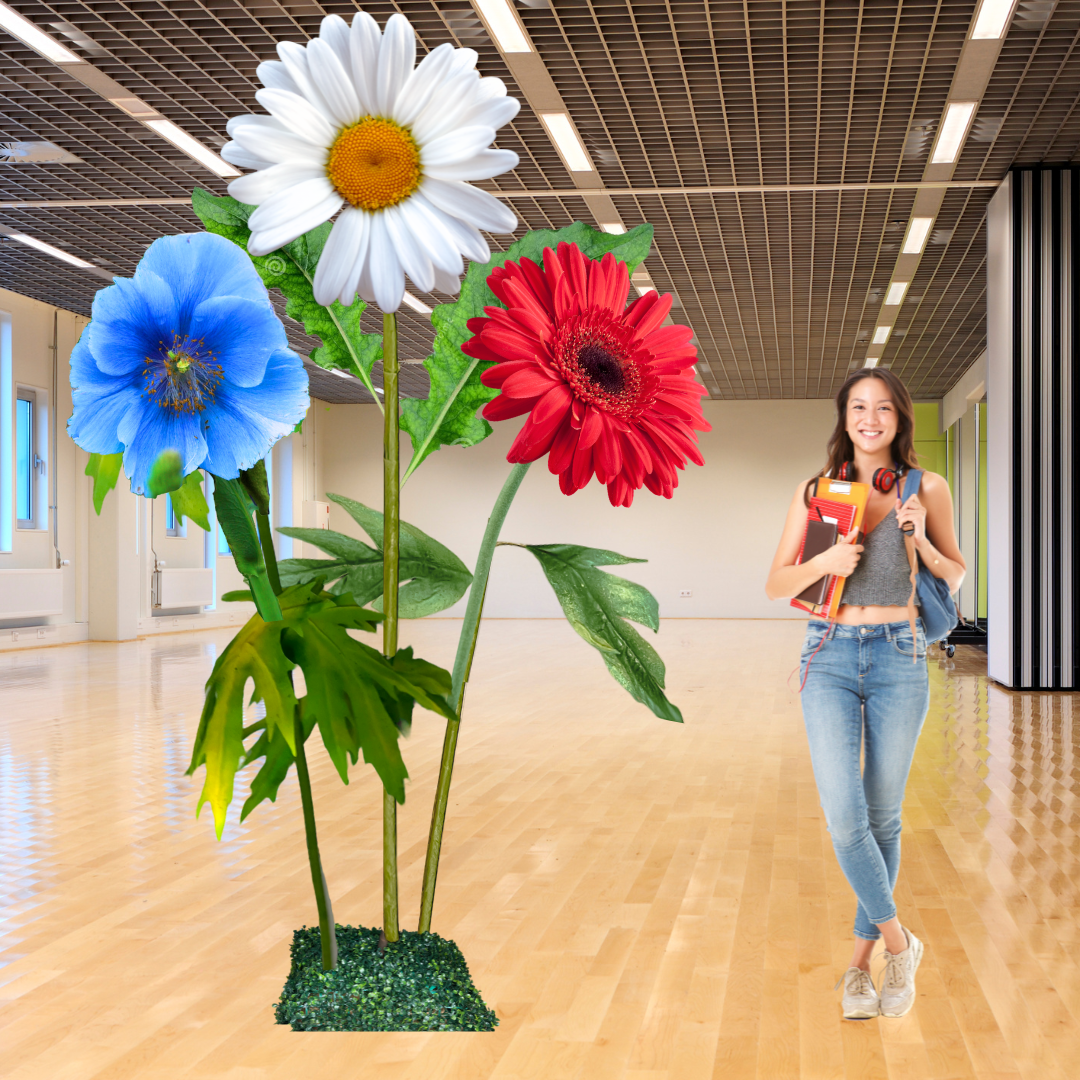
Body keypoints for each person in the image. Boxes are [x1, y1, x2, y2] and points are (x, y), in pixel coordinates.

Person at [765, 368, 965, 1020]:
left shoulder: (926, 486)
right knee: (847, 819)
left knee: (882, 819)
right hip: (826, 655)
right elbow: (776, 584)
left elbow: (956, 573)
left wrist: (919, 540)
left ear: (900, 418)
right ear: (844, 417)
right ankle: (900, 944)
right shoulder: (819, 491)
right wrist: (824, 564)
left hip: (900, 656)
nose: (871, 418)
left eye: (883, 408)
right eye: (859, 407)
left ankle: (857, 970)